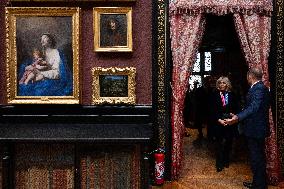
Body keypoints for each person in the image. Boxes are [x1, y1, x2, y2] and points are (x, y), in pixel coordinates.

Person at [225, 67, 270, 189]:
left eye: (247, 76)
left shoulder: (259, 88)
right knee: (256, 158)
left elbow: (254, 107)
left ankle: (259, 186)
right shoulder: (258, 88)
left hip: (256, 129)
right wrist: (238, 115)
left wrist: (237, 118)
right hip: (254, 128)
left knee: (257, 158)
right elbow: (251, 107)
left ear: (250, 76)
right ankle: (257, 183)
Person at [209, 76, 238, 172]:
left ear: (227, 84)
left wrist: (233, 115)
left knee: (229, 142)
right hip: (219, 122)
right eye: (220, 83)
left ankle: (226, 160)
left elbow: (236, 108)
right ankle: (219, 163)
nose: (222, 84)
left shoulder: (232, 95)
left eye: (224, 83)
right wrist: (219, 119)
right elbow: (211, 110)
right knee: (219, 143)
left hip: (230, 122)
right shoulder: (214, 95)